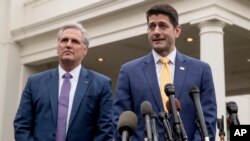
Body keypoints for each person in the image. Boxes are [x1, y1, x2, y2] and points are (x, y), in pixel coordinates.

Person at [113, 3, 217, 141]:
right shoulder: (129, 71)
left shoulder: (200, 70)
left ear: (177, 30)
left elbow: (208, 119)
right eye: (152, 26)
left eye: (162, 26)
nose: (156, 31)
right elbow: (119, 122)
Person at [14, 22, 113, 141]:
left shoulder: (101, 84)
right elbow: (21, 126)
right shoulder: (34, 82)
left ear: (85, 50)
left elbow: (105, 130)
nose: (68, 45)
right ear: (57, 48)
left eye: (75, 41)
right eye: (64, 40)